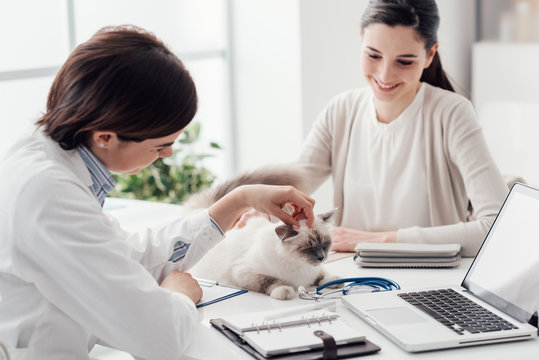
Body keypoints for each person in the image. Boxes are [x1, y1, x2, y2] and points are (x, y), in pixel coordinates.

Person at [0, 26, 315, 359]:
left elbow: (126, 255)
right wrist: (178, 296)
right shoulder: (49, 194)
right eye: (161, 145)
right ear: (105, 137)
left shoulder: (47, 157)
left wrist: (238, 200)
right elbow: (158, 338)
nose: (167, 156)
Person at [293, 0, 507, 257]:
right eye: (373, 55)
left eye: (404, 62)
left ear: (430, 55)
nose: (384, 75)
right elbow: (290, 194)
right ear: (361, 40)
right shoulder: (341, 110)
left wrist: (377, 240)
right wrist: (257, 208)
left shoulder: (452, 113)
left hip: (429, 284)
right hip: (351, 277)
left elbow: (498, 227)